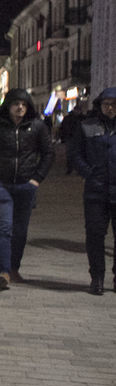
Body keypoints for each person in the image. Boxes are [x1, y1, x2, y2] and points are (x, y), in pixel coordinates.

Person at [0, 88, 54, 288]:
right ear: (8, 106)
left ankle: (14, 268)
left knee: (20, 231)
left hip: (26, 186)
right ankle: (3, 272)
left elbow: (48, 153)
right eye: (16, 104)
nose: (20, 108)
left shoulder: (37, 127)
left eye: (24, 104)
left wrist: (36, 179)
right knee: (5, 228)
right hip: (1, 185)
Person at [68, 87, 116, 295]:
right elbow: (75, 154)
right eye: (107, 104)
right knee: (95, 236)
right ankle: (97, 277)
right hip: (96, 192)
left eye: (114, 104)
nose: (110, 108)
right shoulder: (87, 126)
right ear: (100, 105)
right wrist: (88, 173)